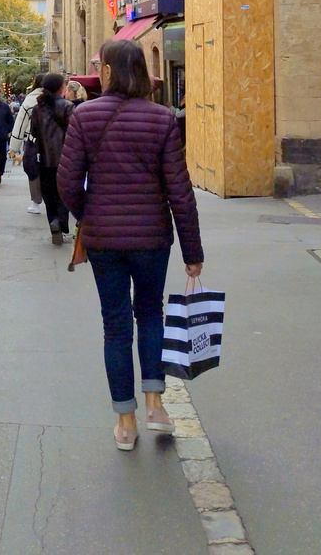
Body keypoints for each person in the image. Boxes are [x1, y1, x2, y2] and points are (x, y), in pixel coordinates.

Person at [58, 39, 204, 451]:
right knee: (150, 313)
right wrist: (193, 252)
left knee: (115, 325)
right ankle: (156, 403)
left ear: (106, 72)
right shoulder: (162, 120)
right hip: (151, 237)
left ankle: (126, 420)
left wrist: (92, 211)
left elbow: (67, 183)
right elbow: (180, 191)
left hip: (104, 240)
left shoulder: (84, 116)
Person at [31, 71, 74, 244]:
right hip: (65, 159)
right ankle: (60, 222)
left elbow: (34, 133)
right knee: (64, 194)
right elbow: (74, 133)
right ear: (61, 88)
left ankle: (53, 223)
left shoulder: (37, 108)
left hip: (45, 159)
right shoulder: (68, 106)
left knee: (49, 195)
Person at [9, 73, 46, 214]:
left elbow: (20, 125)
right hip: (53, 142)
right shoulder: (58, 100)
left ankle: (35, 201)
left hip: (33, 141)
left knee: (33, 170)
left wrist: (13, 147)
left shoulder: (29, 101)